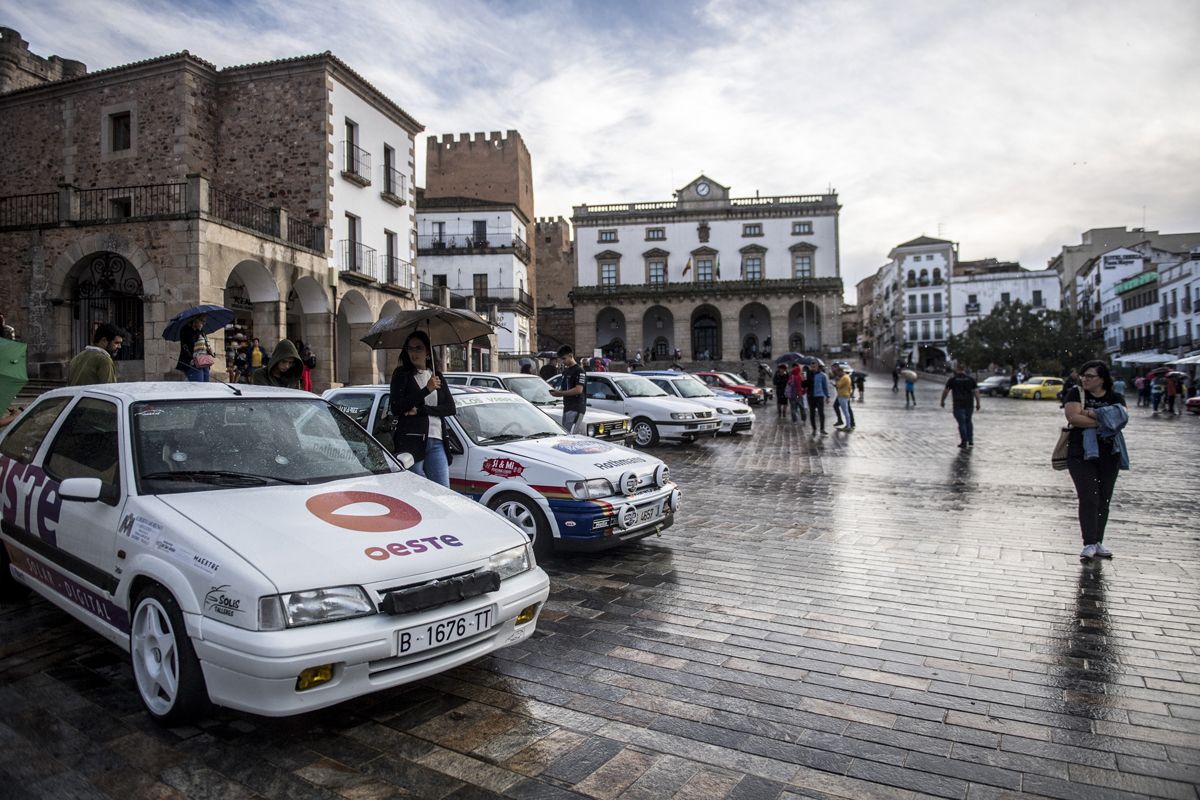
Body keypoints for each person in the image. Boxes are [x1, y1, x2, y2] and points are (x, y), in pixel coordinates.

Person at [1063, 360, 1127, 561]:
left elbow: (1121, 420)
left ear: (1102, 379)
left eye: (1090, 376)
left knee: (1103, 498)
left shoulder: (1115, 396)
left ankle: (1098, 540)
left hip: (1109, 453)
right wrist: (1104, 419)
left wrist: (1090, 414)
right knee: (1089, 497)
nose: (1085, 379)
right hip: (1080, 453)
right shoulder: (1076, 393)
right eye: (1083, 375)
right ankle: (1089, 542)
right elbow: (1074, 418)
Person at [390, 331, 456, 487]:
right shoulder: (401, 375)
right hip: (411, 441)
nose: (414, 353)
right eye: (410, 348)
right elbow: (397, 406)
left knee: (443, 490)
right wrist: (426, 390)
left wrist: (421, 410)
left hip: (437, 440)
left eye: (418, 348)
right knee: (416, 490)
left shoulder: (436, 375)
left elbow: (450, 408)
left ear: (427, 351)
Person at [940, 363, 981, 448]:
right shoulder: (971, 379)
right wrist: (978, 403)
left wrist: (942, 401)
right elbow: (976, 392)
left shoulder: (953, 380)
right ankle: (970, 440)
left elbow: (946, 391)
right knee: (968, 421)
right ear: (964, 369)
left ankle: (964, 441)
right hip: (969, 404)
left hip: (958, 404)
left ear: (956, 369)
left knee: (961, 423)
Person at [550, 344, 587, 434]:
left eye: (564, 358)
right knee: (566, 433)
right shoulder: (565, 372)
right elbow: (564, 389)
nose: (563, 361)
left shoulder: (579, 371)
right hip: (567, 406)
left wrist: (561, 393)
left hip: (576, 407)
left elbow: (578, 390)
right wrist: (557, 391)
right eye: (561, 359)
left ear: (571, 356)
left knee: (569, 435)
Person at [177, 315, 213, 382]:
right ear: (195, 320)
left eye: (205, 321)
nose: (204, 323)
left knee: (206, 385)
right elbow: (191, 342)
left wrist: (209, 349)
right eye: (202, 321)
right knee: (198, 384)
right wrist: (197, 330)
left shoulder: (201, 331)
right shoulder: (186, 330)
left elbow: (204, 344)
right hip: (192, 362)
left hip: (203, 361)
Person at [806, 362, 829, 435]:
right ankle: (814, 429)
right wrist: (803, 379)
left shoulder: (823, 375)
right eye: (812, 366)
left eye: (814, 367)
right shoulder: (808, 374)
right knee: (812, 413)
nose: (813, 368)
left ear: (817, 367)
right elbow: (803, 385)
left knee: (821, 413)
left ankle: (822, 429)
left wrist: (827, 396)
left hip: (819, 396)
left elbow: (825, 387)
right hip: (810, 396)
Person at [834, 366, 856, 431]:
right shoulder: (847, 377)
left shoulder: (844, 378)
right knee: (846, 411)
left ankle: (848, 426)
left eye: (838, 373)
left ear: (841, 371)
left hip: (843, 396)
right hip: (845, 395)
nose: (838, 375)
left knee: (845, 412)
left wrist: (837, 380)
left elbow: (838, 385)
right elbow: (849, 387)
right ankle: (848, 425)